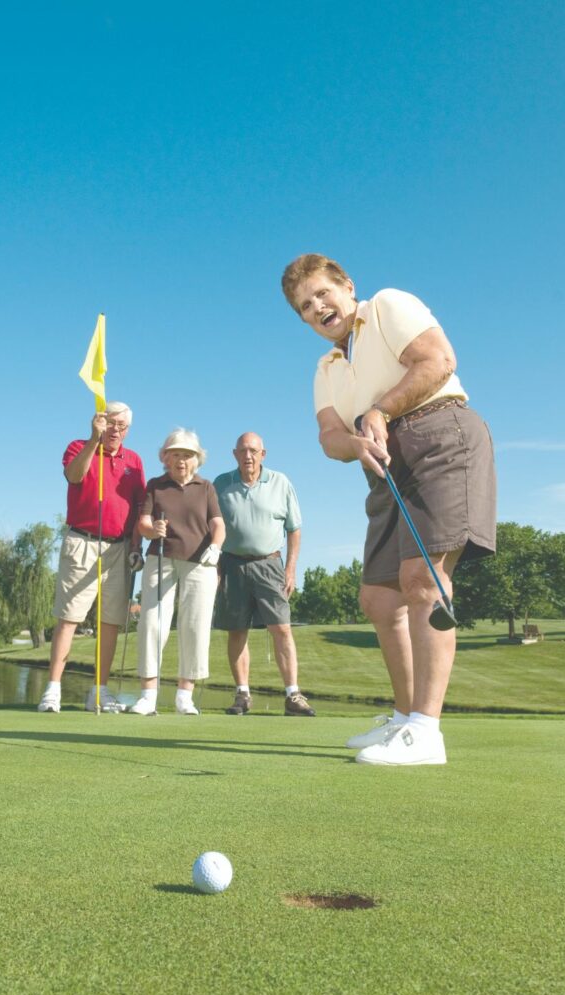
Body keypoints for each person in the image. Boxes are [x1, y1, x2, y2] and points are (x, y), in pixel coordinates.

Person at [281, 254, 496, 765]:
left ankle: (427, 729)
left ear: (346, 286)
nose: (317, 308)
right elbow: (330, 435)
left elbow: (438, 360)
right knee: (379, 597)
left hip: (440, 435)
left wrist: (380, 409)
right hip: (380, 460)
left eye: (322, 294)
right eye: (305, 307)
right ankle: (403, 719)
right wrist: (354, 444)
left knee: (424, 579)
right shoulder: (327, 366)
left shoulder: (387, 306)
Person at [38, 402, 146, 713]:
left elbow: (139, 508)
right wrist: (93, 441)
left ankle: (98, 691)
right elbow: (74, 476)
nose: (116, 430)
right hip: (82, 541)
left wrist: (136, 546)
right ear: (100, 421)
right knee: (69, 617)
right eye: (111, 423)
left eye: (122, 426)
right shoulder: (78, 447)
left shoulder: (134, 461)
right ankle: (53, 690)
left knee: (111, 622)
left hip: (121, 547)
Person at [214, 432, 316, 717]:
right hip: (231, 564)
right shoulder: (222, 484)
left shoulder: (281, 482)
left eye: (253, 451)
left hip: (271, 564)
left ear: (263, 454)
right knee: (236, 630)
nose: (248, 456)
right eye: (243, 451)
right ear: (235, 454)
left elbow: (294, 529)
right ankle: (242, 694)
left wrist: (290, 569)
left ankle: (292, 695)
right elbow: (211, 527)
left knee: (281, 628)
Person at [129, 428, 225, 716]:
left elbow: (218, 524)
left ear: (196, 459)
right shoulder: (155, 486)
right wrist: (151, 529)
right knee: (151, 623)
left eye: (187, 455)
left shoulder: (206, 487)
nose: (181, 461)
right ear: (165, 458)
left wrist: (217, 547)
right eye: (175, 455)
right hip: (162, 558)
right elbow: (142, 522)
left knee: (194, 625)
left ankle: (185, 695)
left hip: (201, 563)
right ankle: (148, 694)